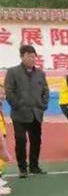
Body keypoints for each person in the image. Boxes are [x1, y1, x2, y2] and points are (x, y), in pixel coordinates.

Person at [3, 45, 49, 178]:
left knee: (36, 141)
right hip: (19, 113)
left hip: (36, 113)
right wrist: (17, 104)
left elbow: (45, 91)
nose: (32, 59)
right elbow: (9, 91)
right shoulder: (13, 72)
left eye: (34, 56)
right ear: (22, 57)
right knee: (21, 140)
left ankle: (34, 166)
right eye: (29, 56)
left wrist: (43, 105)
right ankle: (22, 168)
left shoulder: (40, 73)